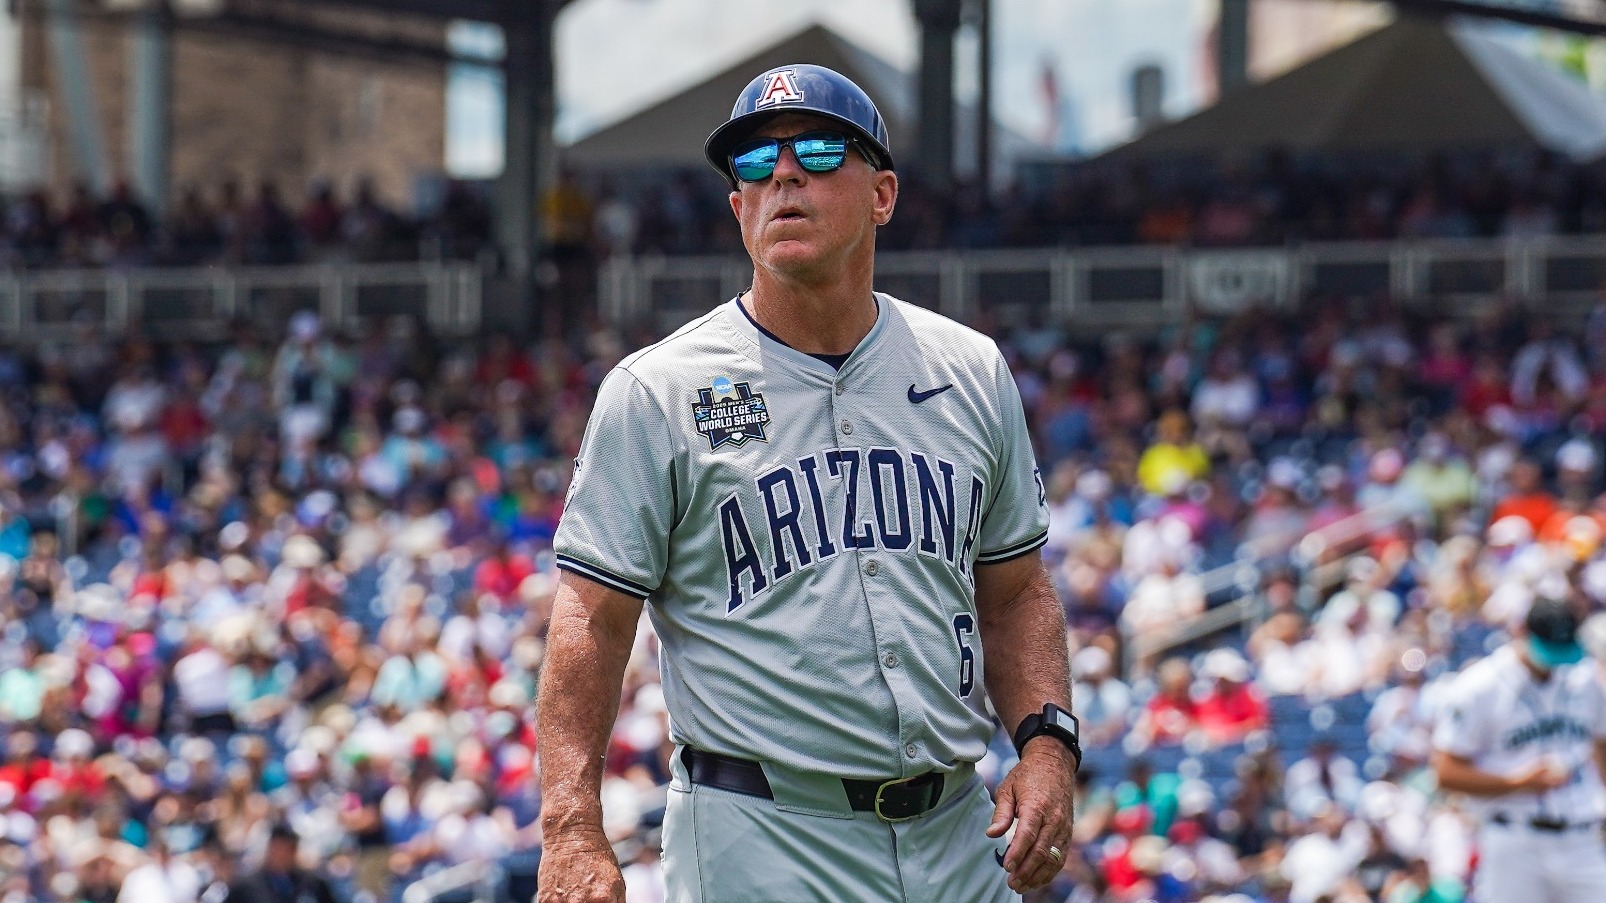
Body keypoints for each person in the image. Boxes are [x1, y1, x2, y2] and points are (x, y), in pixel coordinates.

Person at [536, 64, 1078, 903]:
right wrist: (570, 828)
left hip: (957, 834)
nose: (782, 174)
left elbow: (1014, 596)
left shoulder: (969, 369)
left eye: (819, 151)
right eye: (754, 164)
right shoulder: (659, 390)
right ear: (738, 209)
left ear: (883, 194)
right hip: (763, 834)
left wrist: (1046, 745)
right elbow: (592, 620)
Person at [1431, 597, 1606, 903]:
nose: (1555, 658)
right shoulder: (1478, 687)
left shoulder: (1584, 676)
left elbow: (1601, 744)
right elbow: (1446, 773)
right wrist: (1518, 782)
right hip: (1514, 840)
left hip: (1582, 837)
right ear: (1521, 632)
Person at [222, 823, 337, 903]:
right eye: (278, 848)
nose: (282, 854)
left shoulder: (312, 883)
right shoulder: (246, 886)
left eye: (288, 848)